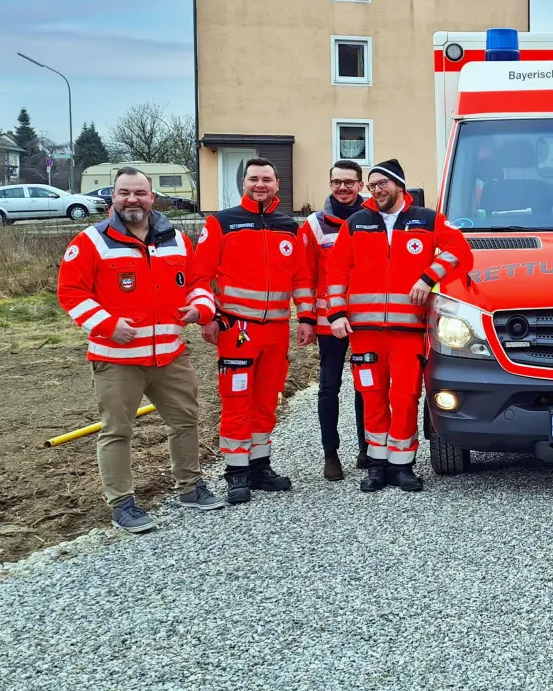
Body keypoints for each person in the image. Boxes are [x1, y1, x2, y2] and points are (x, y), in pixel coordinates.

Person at [56, 167, 224, 532]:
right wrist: (106, 324)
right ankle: (121, 504)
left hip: (170, 355)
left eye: (139, 193)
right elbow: (71, 292)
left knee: (185, 421)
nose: (132, 199)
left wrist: (201, 308)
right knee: (117, 431)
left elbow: (197, 281)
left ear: (153, 198)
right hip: (117, 360)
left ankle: (190, 487)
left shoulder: (177, 240)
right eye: (124, 192)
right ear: (112, 197)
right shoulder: (91, 242)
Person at [326, 159, 474, 492]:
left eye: (382, 184)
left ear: (399, 186)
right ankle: (377, 465)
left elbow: (460, 250)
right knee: (373, 397)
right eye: (372, 185)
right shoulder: (356, 223)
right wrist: (336, 314)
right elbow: (336, 272)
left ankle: (402, 465)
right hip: (365, 334)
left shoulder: (427, 220)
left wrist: (428, 277)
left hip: (408, 334)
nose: (376, 190)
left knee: (405, 397)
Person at [184, 158, 316, 504]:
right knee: (237, 400)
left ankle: (259, 466)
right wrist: (207, 317)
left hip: (275, 330)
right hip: (236, 329)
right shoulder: (221, 223)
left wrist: (306, 318)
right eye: (254, 178)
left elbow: (301, 277)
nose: (261, 184)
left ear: (277, 184)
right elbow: (200, 276)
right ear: (244, 183)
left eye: (267, 179)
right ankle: (236, 472)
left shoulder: (289, 226)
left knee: (265, 401)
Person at [300, 160, 368, 481]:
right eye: (337, 182)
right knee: (330, 386)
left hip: (367, 320)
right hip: (329, 323)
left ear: (360, 185)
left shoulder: (373, 220)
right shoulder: (314, 225)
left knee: (365, 385)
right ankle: (331, 454)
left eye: (349, 182)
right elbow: (304, 276)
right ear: (330, 185)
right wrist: (306, 318)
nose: (343, 188)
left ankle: (366, 449)